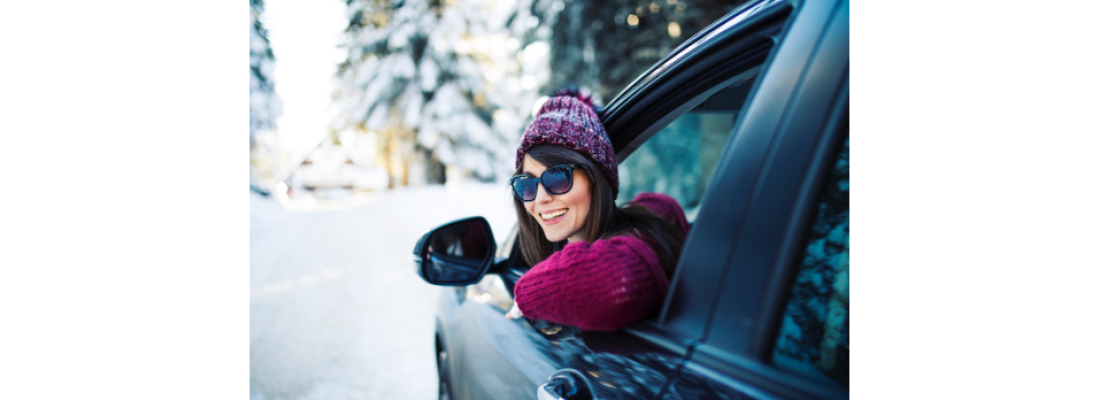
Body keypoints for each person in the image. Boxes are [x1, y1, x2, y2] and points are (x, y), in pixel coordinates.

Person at [505, 88, 689, 331]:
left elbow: (616, 279)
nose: (540, 199)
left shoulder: (641, 241)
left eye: (558, 178)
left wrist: (526, 292)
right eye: (527, 185)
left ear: (596, 178)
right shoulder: (652, 216)